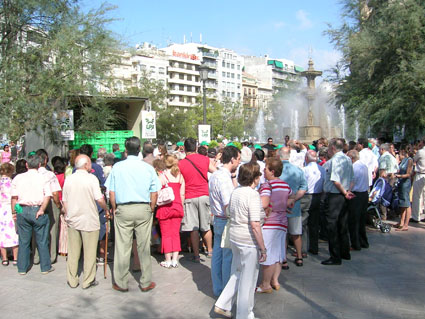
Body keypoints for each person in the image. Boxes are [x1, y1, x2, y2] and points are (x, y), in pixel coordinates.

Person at [106, 136, 161, 292]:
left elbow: (111, 192)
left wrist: (115, 208)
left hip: (123, 208)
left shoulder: (117, 167)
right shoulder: (148, 168)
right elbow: (154, 192)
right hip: (143, 208)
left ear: (125, 150)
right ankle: (145, 282)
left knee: (122, 246)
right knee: (144, 246)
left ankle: (121, 282)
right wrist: (151, 208)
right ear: (139, 150)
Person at [214, 163, 266, 319]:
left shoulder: (236, 191)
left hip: (235, 236)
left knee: (237, 272)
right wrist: (263, 248)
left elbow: (228, 210)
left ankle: (223, 303)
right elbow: (255, 224)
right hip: (248, 239)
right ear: (255, 178)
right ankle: (244, 314)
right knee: (248, 280)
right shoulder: (253, 194)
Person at [62, 154, 109, 289]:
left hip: (73, 219)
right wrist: (106, 209)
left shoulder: (69, 179)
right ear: (86, 165)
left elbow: (64, 200)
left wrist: (68, 214)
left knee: (73, 251)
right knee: (89, 252)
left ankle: (72, 279)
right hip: (89, 219)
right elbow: (99, 199)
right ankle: (88, 280)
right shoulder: (91, 179)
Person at [11, 153, 53, 275]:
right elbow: (47, 196)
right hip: (38, 208)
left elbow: (14, 198)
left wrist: (16, 212)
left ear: (26, 164)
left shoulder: (18, 178)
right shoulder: (44, 178)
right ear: (39, 164)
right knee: (42, 240)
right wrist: (42, 210)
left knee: (24, 241)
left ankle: (22, 268)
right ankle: (45, 267)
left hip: (22, 210)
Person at [257, 158, 292, 293]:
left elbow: (263, 203)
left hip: (270, 222)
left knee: (268, 254)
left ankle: (265, 284)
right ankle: (275, 281)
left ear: (272, 171)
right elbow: (289, 199)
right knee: (278, 253)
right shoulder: (285, 185)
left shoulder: (267, 186)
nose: (263, 171)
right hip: (282, 221)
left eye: (265, 168)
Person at [208, 146, 240, 297]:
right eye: (238, 159)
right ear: (232, 159)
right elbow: (228, 205)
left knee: (218, 255)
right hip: (225, 220)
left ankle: (218, 288)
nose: (239, 162)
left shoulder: (216, 174)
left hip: (217, 218)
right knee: (227, 257)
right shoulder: (223, 177)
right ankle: (226, 291)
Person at [178, 138, 215, 263]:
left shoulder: (181, 163)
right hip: (204, 195)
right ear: (196, 147)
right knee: (206, 226)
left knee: (193, 228)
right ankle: (210, 251)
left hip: (189, 196)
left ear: (184, 147)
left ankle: (196, 255)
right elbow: (215, 172)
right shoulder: (204, 159)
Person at [321, 138, 354, 266]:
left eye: (329, 148)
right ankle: (345, 252)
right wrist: (348, 191)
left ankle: (335, 256)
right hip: (345, 195)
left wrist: (344, 192)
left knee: (332, 226)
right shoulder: (347, 158)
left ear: (333, 148)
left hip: (336, 196)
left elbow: (335, 180)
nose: (328, 151)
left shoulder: (335, 160)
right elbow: (352, 178)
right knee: (343, 224)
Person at [279, 147, 307, 267]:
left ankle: (284, 259)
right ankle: (299, 257)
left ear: (279, 156)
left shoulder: (277, 170)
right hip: (294, 207)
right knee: (296, 233)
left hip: (280, 207)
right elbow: (303, 188)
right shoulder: (298, 170)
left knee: (283, 234)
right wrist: (294, 199)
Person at [156, 155, 185, 268]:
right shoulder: (180, 176)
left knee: (166, 234)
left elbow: (157, 193)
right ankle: (175, 259)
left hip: (165, 208)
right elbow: (182, 194)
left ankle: (167, 259)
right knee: (175, 234)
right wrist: (180, 206)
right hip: (177, 207)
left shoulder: (162, 176)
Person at [34, 149, 63, 265]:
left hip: (36, 202)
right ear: (45, 160)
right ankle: (51, 256)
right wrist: (58, 205)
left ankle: (36, 256)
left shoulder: (30, 174)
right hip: (50, 201)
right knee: (52, 229)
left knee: (36, 230)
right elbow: (55, 193)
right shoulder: (50, 174)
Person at [302, 150, 325, 255]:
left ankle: (303, 249)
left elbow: (301, 185)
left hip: (306, 196)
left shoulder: (305, 170)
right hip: (318, 196)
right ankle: (314, 247)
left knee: (303, 222)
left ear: (306, 158)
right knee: (314, 223)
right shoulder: (322, 169)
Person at [346, 150, 369, 250]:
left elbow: (352, 182)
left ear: (351, 158)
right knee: (361, 220)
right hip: (364, 193)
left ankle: (355, 244)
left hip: (356, 195)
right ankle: (363, 241)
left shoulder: (354, 167)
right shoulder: (363, 166)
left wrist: (347, 191)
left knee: (353, 220)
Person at [0, 163, 19, 265]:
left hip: (1, 209)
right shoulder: (12, 183)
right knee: (14, 233)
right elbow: (15, 198)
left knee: (1, 233)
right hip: (10, 209)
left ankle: (4, 258)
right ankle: (15, 258)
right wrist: (18, 211)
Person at [394, 146, 413, 230]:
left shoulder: (409, 160)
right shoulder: (403, 160)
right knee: (402, 203)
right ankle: (401, 222)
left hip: (405, 183)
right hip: (401, 182)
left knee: (406, 203)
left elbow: (408, 174)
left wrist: (399, 176)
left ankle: (406, 224)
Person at [411, 139, 425, 222]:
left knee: (417, 196)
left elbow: (414, 160)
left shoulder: (421, 152)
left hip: (420, 173)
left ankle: (416, 216)